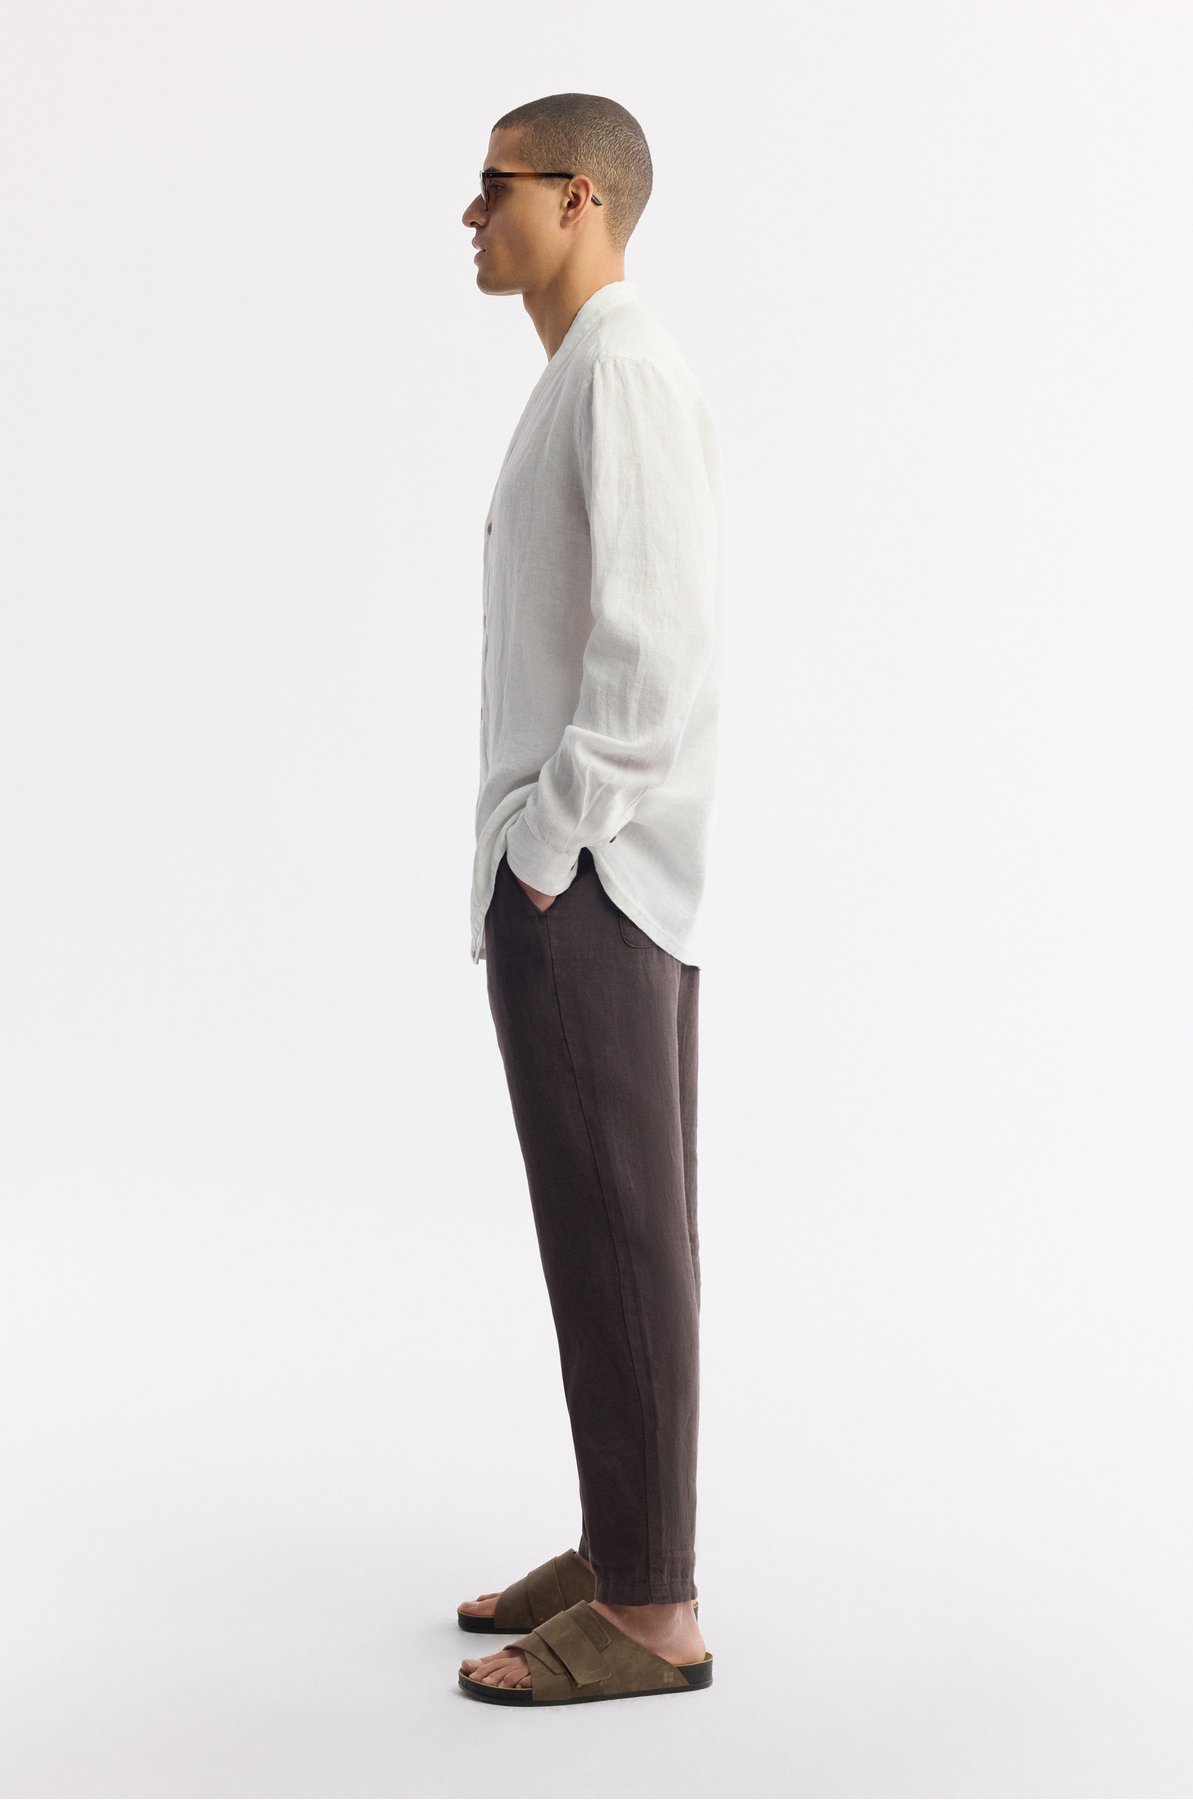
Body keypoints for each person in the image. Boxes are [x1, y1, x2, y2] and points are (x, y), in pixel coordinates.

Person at [454, 93, 726, 1708]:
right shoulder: (585, 374)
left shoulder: (619, 365)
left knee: (622, 1235)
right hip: (589, 879)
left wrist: (547, 852)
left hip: (595, 883)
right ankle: (626, 1549)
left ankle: (652, 1612)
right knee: (610, 1231)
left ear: (577, 198)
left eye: (492, 186)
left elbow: (655, 651)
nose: (469, 215)